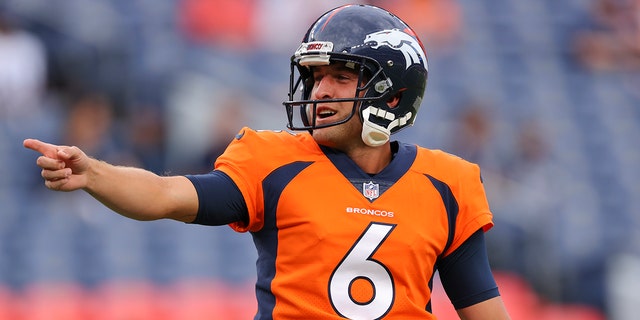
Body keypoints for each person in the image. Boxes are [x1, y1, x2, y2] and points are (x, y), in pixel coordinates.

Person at [24, 4, 511, 319]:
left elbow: (481, 309)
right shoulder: (272, 159)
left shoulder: (449, 182)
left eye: (341, 77)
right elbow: (164, 195)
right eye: (317, 76)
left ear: (394, 91)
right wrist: (95, 174)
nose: (321, 90)